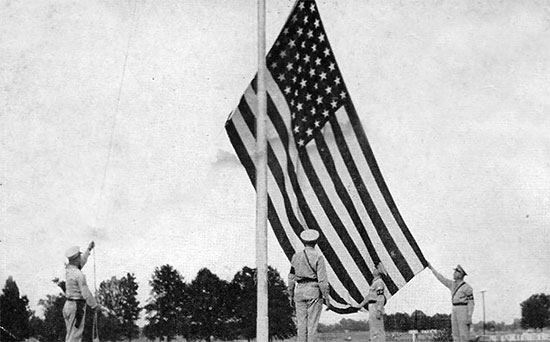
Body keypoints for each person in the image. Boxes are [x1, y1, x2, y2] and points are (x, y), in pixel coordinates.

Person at [288, 229, 331, 342]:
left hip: (299, 290)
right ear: (316, 242)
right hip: (313, 289)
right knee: (312, 325)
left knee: (301, 325)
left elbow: (291, 278)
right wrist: (326, 297)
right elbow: (322, 281)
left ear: (303, 241)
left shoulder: (295, 257)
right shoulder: (318, 257)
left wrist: (290, 294)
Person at [428, 263, 474, 342]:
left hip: (463, 309)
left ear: (461, 274)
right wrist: (432, 269)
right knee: (455, 334)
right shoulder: (452, 284)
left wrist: (469, 316)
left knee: (463, 334)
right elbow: (442, 278)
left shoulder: (467, 287)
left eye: (456, 272)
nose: (454, 273)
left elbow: (471, 302)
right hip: (454, 308)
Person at [63, 245, 100, 342]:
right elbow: (85, 293)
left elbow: (80, 263)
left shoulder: (69, 271)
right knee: (75, 337)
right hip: (77, 307)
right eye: (79, 256)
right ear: (76, 259)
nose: (80, 258)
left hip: (68, 305)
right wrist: (94, 305)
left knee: (70, 335)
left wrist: (88, 249)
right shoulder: (79, 275)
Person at [355, 263, 388, 342]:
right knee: (373, 328)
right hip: (372, 306)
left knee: (377, 329)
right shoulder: (375, 282)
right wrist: (361, 305)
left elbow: (381, 297)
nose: (373, 270)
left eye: (375, 269)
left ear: (378, 271)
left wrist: (379, 310)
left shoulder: (379, 282)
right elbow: (369, 296)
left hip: (375, 306)